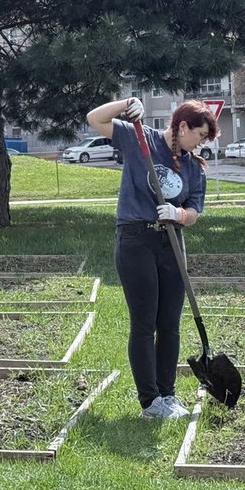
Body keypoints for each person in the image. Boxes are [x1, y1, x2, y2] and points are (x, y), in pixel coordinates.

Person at [86, 97, 219, 421]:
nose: (200, 143)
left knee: (169, 324)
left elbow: (195, 213)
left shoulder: (192, 166)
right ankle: (150, 402)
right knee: (145, 323)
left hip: (171, 242)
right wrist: (128, 104)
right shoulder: (139, 137)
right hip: (136, 238)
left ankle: (168, 394)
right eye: (199, 135)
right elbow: (95, 118)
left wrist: (179, 213)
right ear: (182, 126)